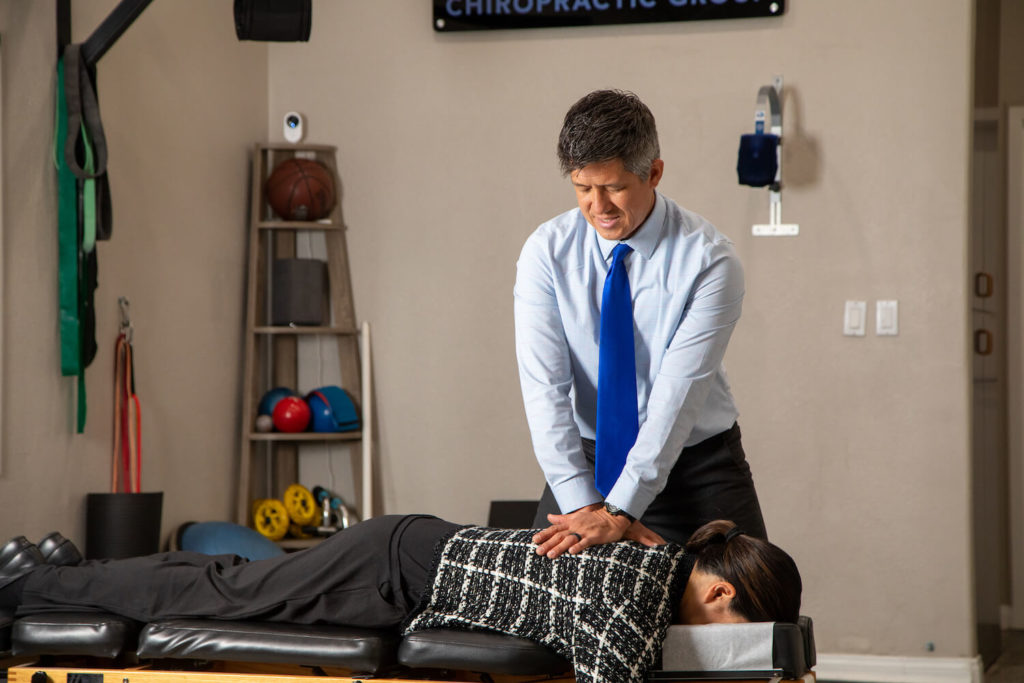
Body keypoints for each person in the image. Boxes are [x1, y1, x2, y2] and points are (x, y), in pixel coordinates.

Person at [0, 517, 799, 683]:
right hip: (394, 574)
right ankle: (30, 586)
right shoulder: (636, 596)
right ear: (721, 589)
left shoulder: (655, 556)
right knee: (224, 595)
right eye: (734, 629)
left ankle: (68, 566)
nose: (721, 642)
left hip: (412, 552)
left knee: (229, 588)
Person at [515, 89, 765, 559]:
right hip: (587, 459)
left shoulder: (710, 262)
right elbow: (544, 387)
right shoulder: (545, 253)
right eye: (583, 188)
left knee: (754, 606)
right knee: (551, 611)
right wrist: (586, 506)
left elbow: (677, 396)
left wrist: (621, 512)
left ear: (653, 173)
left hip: (697, 460)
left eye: (613, 187)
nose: (598, 207)